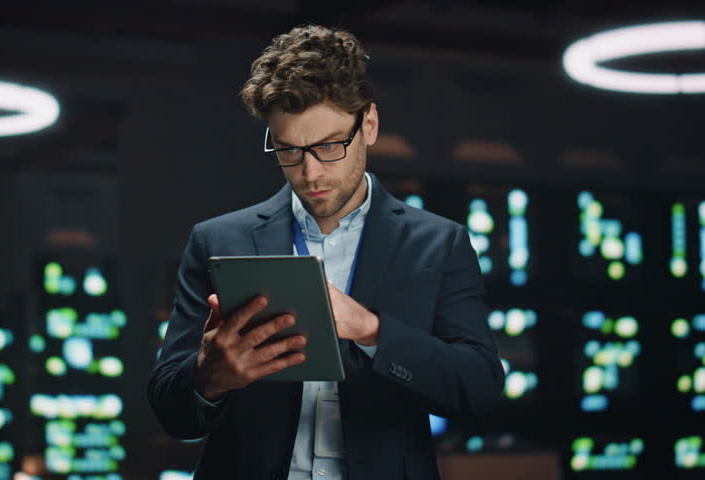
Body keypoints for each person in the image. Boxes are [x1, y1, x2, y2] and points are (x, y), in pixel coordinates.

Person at [147, 24, 505, 480]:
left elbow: (480, 389)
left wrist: (372, 331)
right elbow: (168, 410)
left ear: (369, 125)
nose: (310, 172)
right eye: (289, 150)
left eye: (329, 146)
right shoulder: (217, 240)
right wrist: (210, 377)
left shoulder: (439, 243)